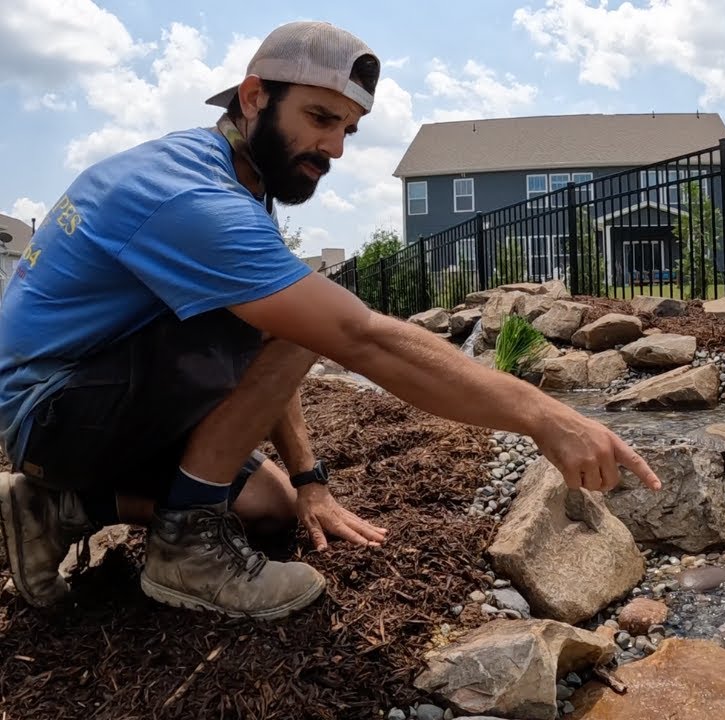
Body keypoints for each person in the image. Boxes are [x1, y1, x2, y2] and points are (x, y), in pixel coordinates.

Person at [0, 21, 661, 621]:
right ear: (254, 97)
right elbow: (352, 336)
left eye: (348, 129)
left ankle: (58, 508)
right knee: (306, 314)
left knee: (272, 508)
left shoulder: (235, 183)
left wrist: (310, 481)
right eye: (319, 118)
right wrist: (544, 415)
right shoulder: (190, 196)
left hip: (91, 403)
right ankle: (187, 549)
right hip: (52, 413)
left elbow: (280, 345)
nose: (335, 148)